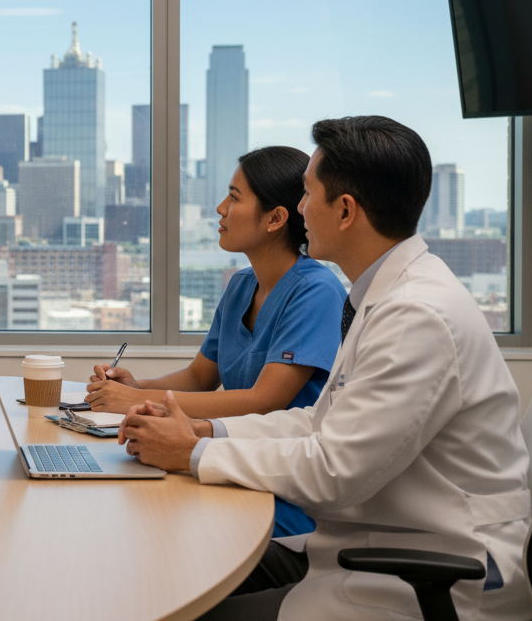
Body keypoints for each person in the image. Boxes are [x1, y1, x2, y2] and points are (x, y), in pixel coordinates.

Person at [118, 116, 532, 621]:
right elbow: (316, 422)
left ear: (345, 210)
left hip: (436, 574)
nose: (299, 208)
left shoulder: (415, 315)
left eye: (308, 194)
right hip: (366, 549)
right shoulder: (386, 296)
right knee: (170, 570)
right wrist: (206, 429)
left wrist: (195, 452)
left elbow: (334, 470)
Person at [85, 146, 345, 537]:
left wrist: (141, 403)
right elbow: (199, 376)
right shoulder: (242, 284)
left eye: (235, 197)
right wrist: (137, 387)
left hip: (280, 482)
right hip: (227, 458)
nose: (221, 209)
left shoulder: (316, 291)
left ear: (275, 218)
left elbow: (264, 400)